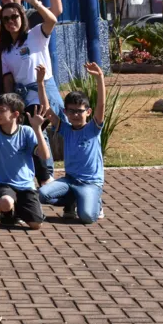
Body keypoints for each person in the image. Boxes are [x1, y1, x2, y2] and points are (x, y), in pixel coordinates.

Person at [0, 0, 60, 185]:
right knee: (27, 131)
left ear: (22, 17)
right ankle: (33, 175)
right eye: (5, 19)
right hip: (21, 95)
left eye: (14, 17)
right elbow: (8, 79)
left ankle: (46, 176)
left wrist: (36, 3)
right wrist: (8, 104)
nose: (10, 22)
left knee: (37, 128)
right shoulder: (6, 51)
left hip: (42, 89)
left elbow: (52, 19)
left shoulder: (36, 34)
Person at [39, 62, 107, 224]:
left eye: (80, 111)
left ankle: (95, 202)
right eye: (71, 111)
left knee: (87, 217)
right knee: (42, 194)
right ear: (65, 112)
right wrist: (40, 83)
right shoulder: (66, 129)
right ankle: (71, 201)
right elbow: (47, 110)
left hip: (90, 183)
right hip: (70, 180)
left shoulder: (93, 128)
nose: (76, 115)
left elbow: (101, 105)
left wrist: (100, 79)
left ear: (88, 112)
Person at [0, 93, 49, 229]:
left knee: (36, 225)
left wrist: (38, 129)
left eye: (1, 110)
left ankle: (20, 208)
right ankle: (7, 214)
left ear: (15, 114)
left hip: (25, 185)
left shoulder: (26, 131)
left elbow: (45, 156)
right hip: (1, 184)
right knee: (6, 201)